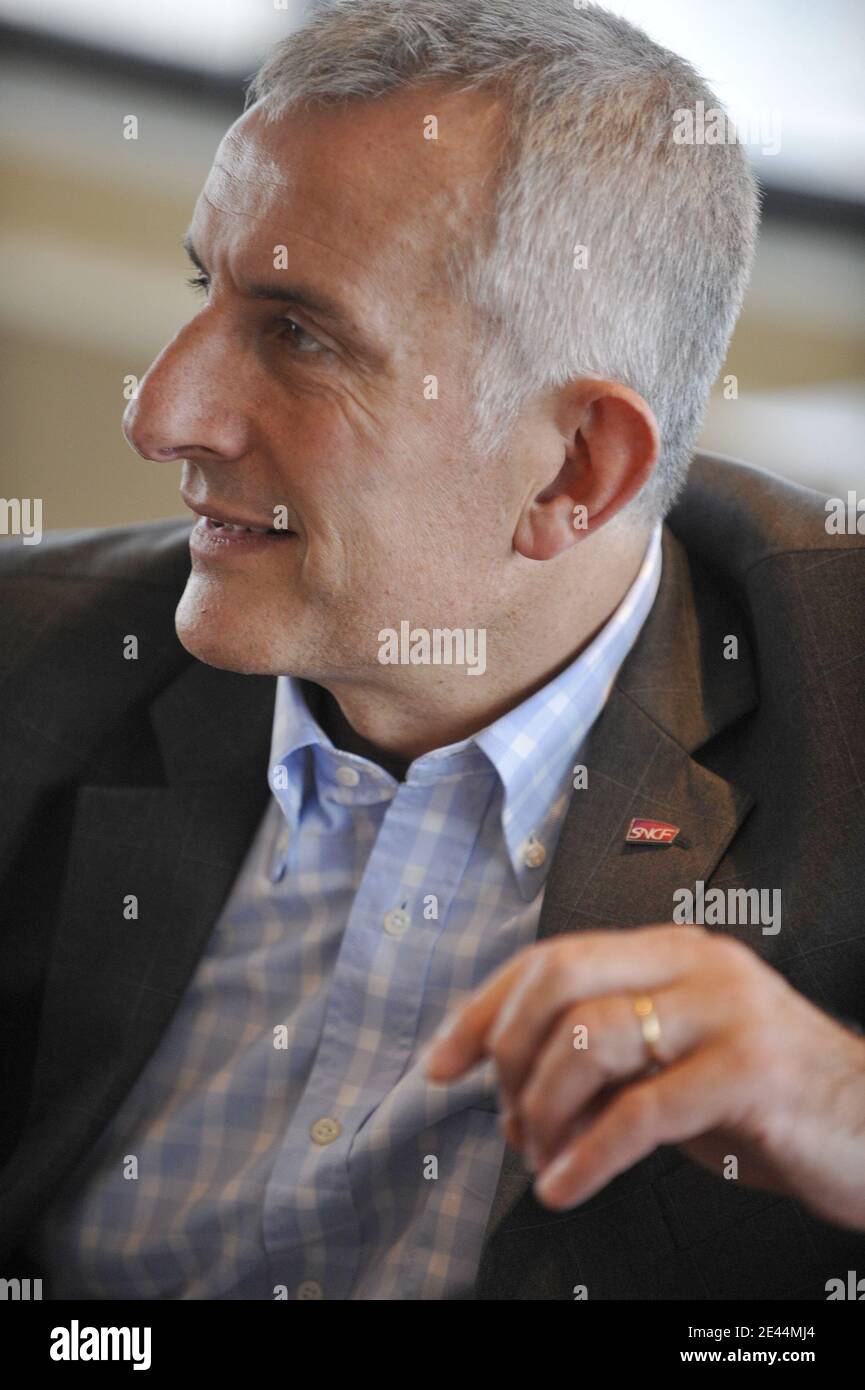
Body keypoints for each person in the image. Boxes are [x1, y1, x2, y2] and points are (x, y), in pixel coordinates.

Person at [1, 0, 863, 1301]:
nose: (162, 413)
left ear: (574, 470)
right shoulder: (32, 658)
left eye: (299, 334)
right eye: (203, 288)